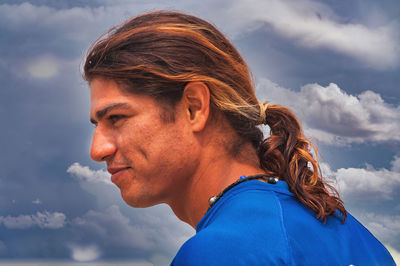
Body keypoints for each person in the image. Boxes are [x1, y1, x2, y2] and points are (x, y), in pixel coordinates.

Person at [83, 10, 395, 265]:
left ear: (194, 107)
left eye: (117, 118)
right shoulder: (350, 234)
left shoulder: (221, 252)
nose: (98, 149)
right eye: (97, 124)